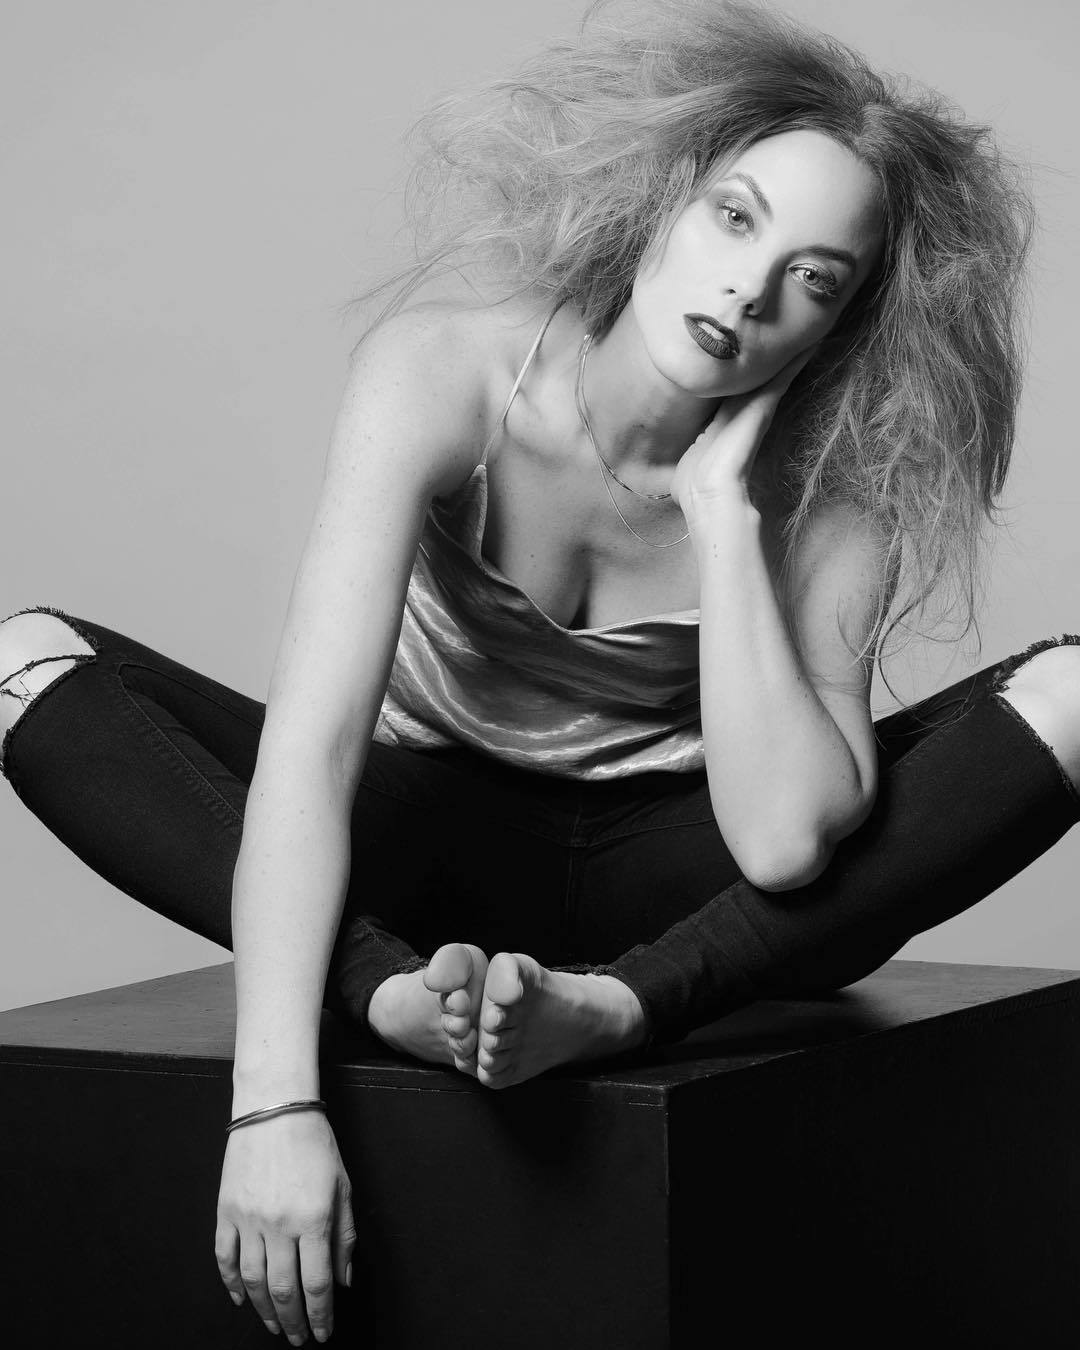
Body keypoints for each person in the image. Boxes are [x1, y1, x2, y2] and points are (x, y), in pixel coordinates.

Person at [3, 0, 1078, 1343]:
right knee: (19, 662)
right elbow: (316, 749)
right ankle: (389, 991)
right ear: (667, 198)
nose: (749, 292)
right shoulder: (449, 371)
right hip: (418, 840)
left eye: (814, 278)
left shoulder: (832, 502)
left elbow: (785, 840)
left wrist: (726, 515)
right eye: (735, 220)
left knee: (1075, 693)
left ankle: (618, 1011)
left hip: (671, 884)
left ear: (847, 321)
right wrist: (274, 1102)